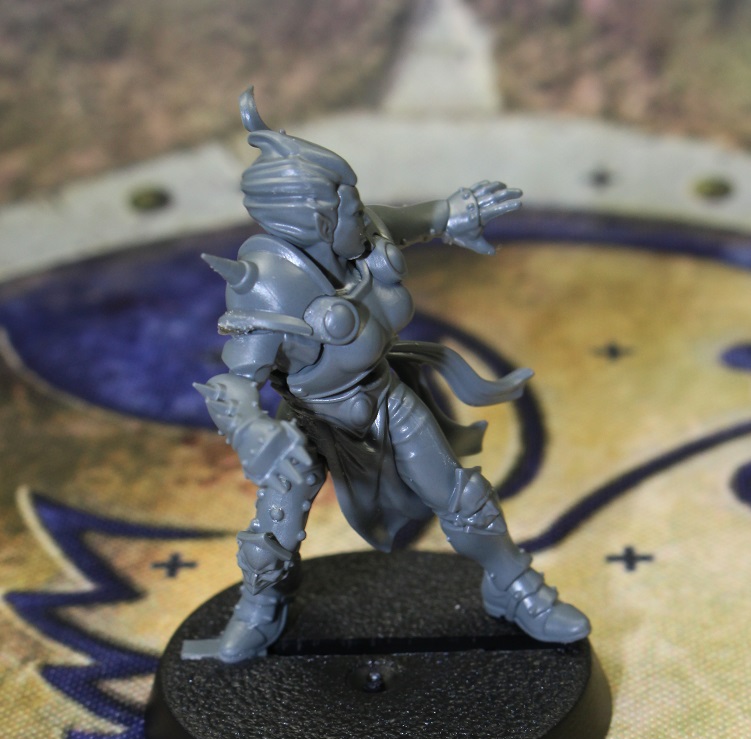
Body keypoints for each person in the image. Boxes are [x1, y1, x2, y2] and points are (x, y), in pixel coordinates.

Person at [183, 87, 590, 663]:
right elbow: (234, 381)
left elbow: (410, 220)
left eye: (354, 200)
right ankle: (259, 610)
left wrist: (455, 211)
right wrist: (254, 432)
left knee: (463, 496)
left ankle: (515, 588)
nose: (361, 212)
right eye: (347, 205)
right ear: (315, 219)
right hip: (308, 420)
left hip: (383, 398)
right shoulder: (268, 285)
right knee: (273, 530)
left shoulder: (357, 235)